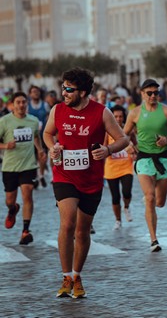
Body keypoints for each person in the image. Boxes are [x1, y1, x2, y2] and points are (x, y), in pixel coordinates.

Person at [43, 67, 129, 298]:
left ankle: (77, 275)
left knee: (82, 231)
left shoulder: (102, 113)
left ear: (82, 92)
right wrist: (53, 148)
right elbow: (47, 134)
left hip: (91, 179)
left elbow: (124, 138)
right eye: (63, 88)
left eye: (68, 89)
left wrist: (108, 149)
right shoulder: (58, 110)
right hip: (64, 175)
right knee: (68, 223)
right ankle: (65, 276)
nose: (64, 93)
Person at [123, 79, 167, 252]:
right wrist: (128, 146)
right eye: (149, 93)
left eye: (156, 93)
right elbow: (123, 135)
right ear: (142, 94)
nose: (153, 96)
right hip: (144, 158)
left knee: (160, 202)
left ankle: (151, 201)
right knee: (150, 198)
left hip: (163, 158)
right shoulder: (134, 113)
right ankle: (154, 240)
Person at [1, 92, 46, 245]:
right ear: (12, 105)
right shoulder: (4, 121)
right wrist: (6, 145)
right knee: (9, 200)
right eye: (18, 102)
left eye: (23, 102)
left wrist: (40, 150)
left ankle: (26, 231)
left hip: (28, 165)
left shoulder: (33, 121)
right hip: (10, 167)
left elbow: (36, 137)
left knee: (28, 194)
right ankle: (13, 209)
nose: (21, 105)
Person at [104, 105, 136, 230]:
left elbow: (136, 148)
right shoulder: (106, 132)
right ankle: (118, 220)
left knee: (127, 192)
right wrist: (111, 150)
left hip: (126, 167)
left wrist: (133, 150)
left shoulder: (129, 132)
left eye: (120, 116)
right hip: (111, 168)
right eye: (115, 116)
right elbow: (103, 147)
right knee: (115, 197)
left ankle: (126, 207)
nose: (118, 119)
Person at [27, 85, 50, 188]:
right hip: (31, 136)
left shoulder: (45, 105)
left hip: (43, 135)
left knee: (42, 156)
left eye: (37, 91)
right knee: (33, 157)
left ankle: (41, 175)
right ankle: (35, 176)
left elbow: (50, 118)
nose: (35, 93)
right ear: (30, 94)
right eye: (33, 92)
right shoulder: (27, 106)